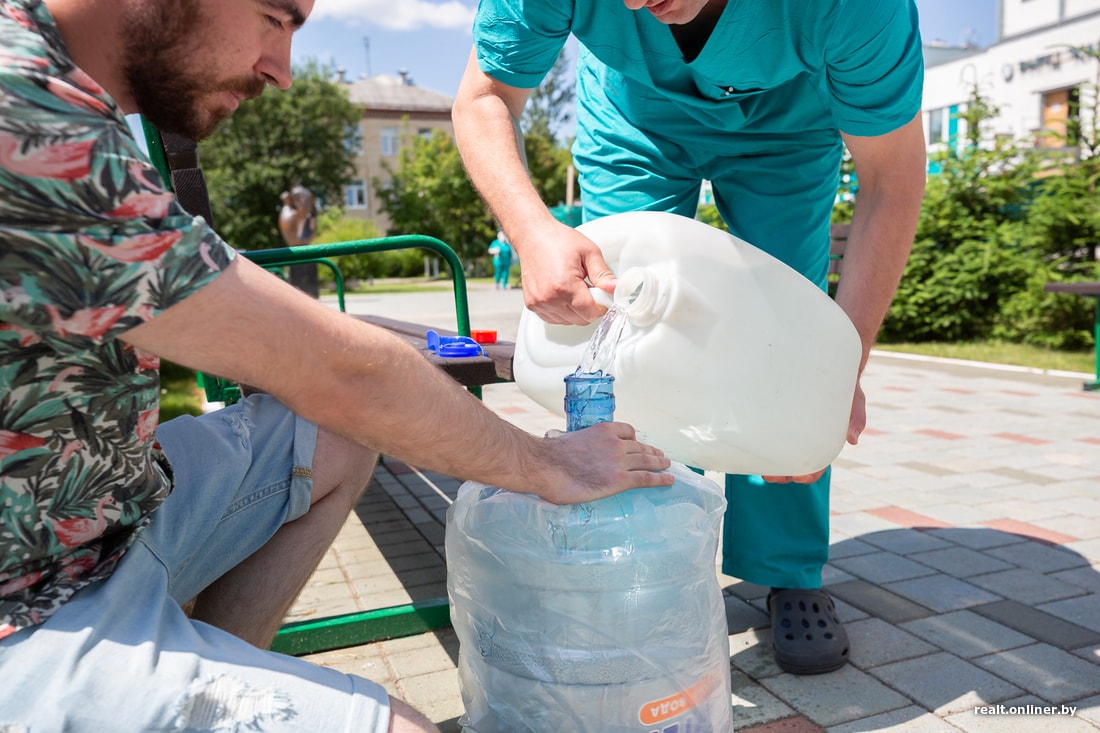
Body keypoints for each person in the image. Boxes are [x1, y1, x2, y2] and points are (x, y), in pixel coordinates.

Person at [0, 1, 675, 731]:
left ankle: (211, 664)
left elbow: (333, 389)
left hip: (95, 516)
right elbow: (341, 370)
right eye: (273, 16)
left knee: (332, 432)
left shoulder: (68, 90)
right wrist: (554, 466)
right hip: (25, 606)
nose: (282, 72)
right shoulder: (23, 111)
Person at [452, 0, 927, 675]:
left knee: (786, 347)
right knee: (627, 326)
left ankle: (788, 569)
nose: (639, 4)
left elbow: (893, 175)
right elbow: (483, 96)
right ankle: (655, 559)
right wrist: (530, 230)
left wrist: (836, 367)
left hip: (790, 127)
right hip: (634, 115)